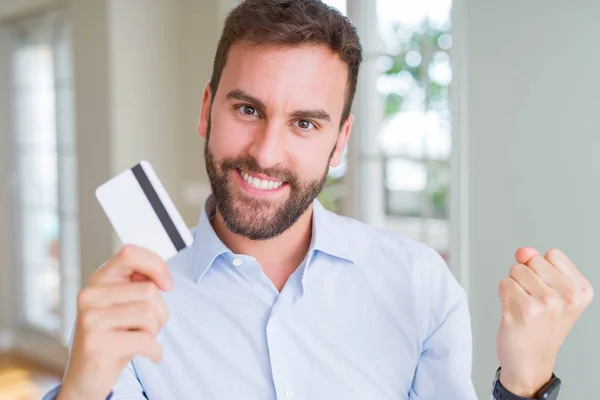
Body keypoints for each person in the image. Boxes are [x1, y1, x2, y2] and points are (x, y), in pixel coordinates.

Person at [46, 1, 593, 399]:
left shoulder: (419, 284)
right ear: (206, 108)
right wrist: (80, 389)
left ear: (341, 140)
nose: (265, 153)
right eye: (247, 110)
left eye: (305, 123)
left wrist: (526, 384)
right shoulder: (126, 305)